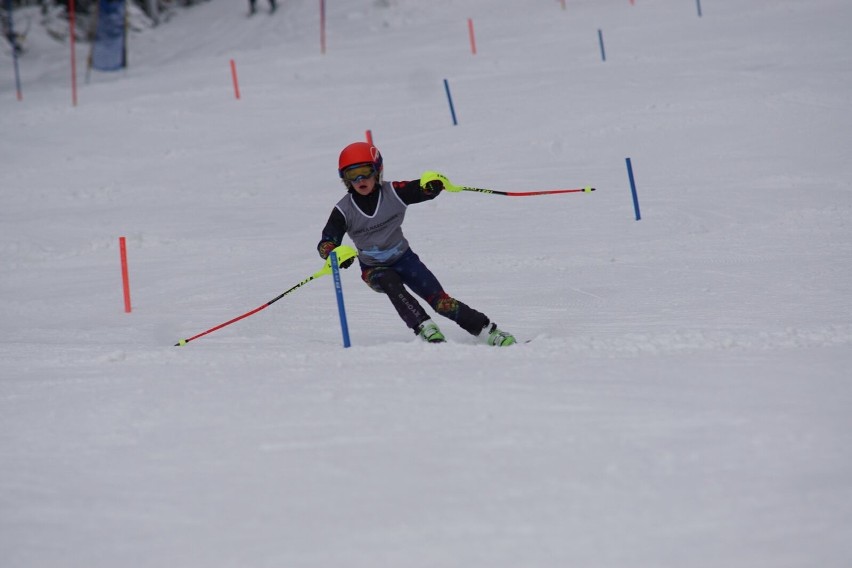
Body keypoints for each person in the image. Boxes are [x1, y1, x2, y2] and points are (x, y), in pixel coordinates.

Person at [317, 142, 516, 346]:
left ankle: (488, 331)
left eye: (365, 172)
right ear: (344, 179)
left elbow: (419, 188)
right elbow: (327, 241)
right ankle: (425, 327)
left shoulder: (393, 192)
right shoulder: (343, 210)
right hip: (373, 268)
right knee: (389, 280)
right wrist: (334, 253)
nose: (360, 180)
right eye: (352, 175)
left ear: (377, 171)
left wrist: (431, 186)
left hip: (405, 259)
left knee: (441, 302)